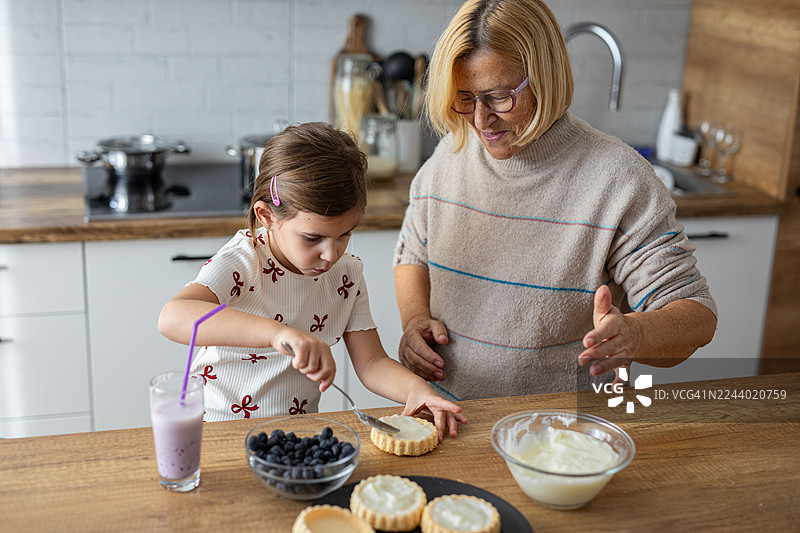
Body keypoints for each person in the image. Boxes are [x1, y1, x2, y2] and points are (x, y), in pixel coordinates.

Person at [393, 0, 717, 401]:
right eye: (464, 98)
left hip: (564, 426)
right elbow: (412, 254)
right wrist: (415, 320)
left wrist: (635, 334)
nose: (480, 120)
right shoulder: (449, 156)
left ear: (544, 78)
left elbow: (697, 315)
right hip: (449, 415)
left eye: (499, 97)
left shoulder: (618, 179)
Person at [159, 122, 466, 438]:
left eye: (344, 235)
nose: (331, 254)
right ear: (267, 217)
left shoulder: (346, 275)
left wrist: (416, 389)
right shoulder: (242, 261)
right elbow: (172, 317)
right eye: (312, 238)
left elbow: (372, 363)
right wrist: (278, 334)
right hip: (218, 431)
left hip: (293, 436)